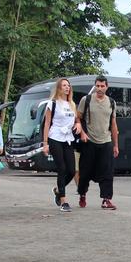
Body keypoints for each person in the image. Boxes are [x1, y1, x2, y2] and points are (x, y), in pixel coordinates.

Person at [76, 76, 120, 209]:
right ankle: (82, 194)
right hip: (89, 141)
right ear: (95, 86)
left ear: (107, 87)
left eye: (102, 86)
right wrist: (82, 132)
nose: (100, 88)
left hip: (106, 141)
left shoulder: (111, 102)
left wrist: (116, 145)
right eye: (97, 86)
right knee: (85, 172)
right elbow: (78, 117)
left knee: (107, 172)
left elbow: (113, 125)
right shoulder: (86, 100)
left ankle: (106, 199)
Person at [42, 77, 83, 213]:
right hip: (55, 137)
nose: (67, 87)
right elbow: (47, 123)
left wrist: (78, 124)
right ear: (59, 88)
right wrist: (45, 143)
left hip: (68, 139)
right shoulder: (52, 103)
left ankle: (58, 190)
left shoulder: (71, 104)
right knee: (62, 168)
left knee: (72, 170)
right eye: (64, 85)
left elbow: (77, 119)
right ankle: (63, 201)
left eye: (68, 85)